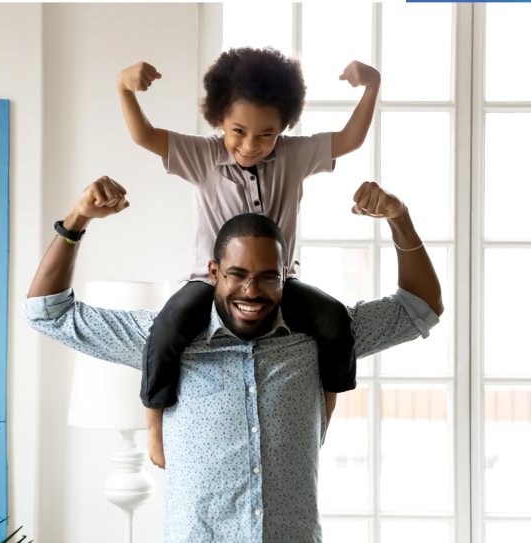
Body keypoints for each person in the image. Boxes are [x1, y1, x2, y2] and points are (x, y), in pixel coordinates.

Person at [23, 175, 443, 543]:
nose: (251, 291)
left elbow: (421, 306)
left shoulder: (319, 338)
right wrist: (77, 221)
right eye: (237, 274)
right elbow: (48, 312)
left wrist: (399, 217)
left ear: (285, 277)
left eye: (267, 277)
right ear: (213, 273)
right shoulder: (164, 340)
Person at [116, 47, 382, 467]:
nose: (251, 145)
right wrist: (124, 89)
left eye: (266, 134)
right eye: (238, 131)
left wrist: (372, 87)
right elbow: (144, 136)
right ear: (219, 118)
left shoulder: (294, 157)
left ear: (283, 128)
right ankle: (153, 425)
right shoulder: (202, 156)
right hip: (212, 284)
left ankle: (323, 419)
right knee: (166, 329)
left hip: (280, 283)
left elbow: (349, 139)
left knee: (335, 321)